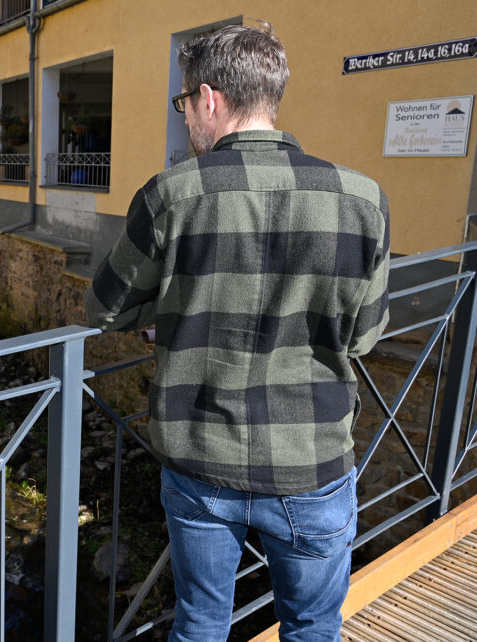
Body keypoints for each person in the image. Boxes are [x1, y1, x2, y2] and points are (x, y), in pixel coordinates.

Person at [84, 22, 389, 641]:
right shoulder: (363, 199)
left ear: (209, 98)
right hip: (313, 460)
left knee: (199, 623)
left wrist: (165, 315)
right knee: (312, 626)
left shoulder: (170, 194)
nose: (188, 121)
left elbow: (104, 308)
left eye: (185, 106)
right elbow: (364, 337)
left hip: (200, 455)